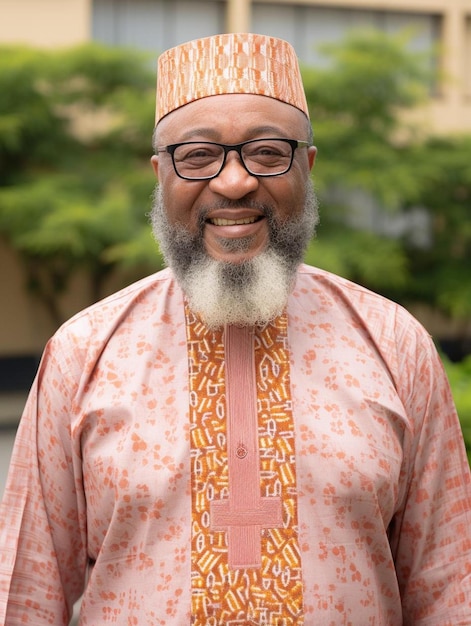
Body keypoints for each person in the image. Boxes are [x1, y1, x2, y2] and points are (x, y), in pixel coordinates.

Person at [0, 32, 470, 626]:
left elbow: (452, 588)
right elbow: (25, 595)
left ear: (307, 166)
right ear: (160, 174)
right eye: (197, 156)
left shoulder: (396, 344)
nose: (234, 182)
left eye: (268, 152)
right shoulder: (83, 352)